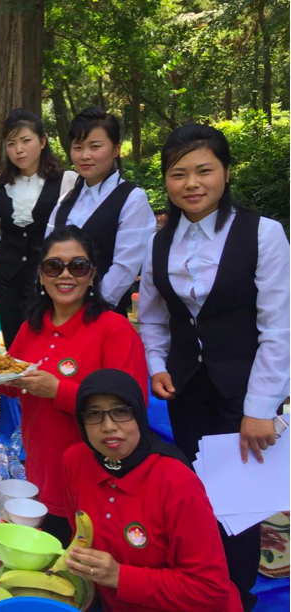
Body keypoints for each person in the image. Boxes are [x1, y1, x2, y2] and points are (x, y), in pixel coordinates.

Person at [138, 124, 290, 611]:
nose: (192, 183)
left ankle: (235, 597)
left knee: (239, 507)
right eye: (178, 174)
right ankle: (196, 588)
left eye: (204, 170)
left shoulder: (262, 233)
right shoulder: (158, 241)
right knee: (192, 497)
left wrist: (261, 406)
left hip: (245, 392)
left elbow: (279, 328)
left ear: (226, 172)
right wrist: (157, 364)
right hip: (187, 390)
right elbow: (153, 315)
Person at [0, 226, 148, 544]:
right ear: (42, 275)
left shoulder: (113, 329)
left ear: (92, 274)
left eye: (78, 266)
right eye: (54, 266)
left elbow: (130, 406)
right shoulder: (33, 327)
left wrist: (59, 391)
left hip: (97, 479)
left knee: (90, 565)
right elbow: (10, 383)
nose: (65, 275)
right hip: (41, 474)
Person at [62, 369, 243, 612]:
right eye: (94, 414)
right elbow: (81, 537)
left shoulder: (175, 481)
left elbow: (210, 590)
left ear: (138, 413)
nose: (108, 426)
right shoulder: (75, 461)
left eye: (121, 411)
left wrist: (119, 576)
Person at [0, 109, 78, 348]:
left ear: (42, 142)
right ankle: (13, 386)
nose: (18, 149)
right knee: (15, 343)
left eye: (26, 141)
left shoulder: (67, 180)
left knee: (47, 342)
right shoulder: (0, 182)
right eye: (11, 143)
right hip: (6, 278)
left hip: (48, 279)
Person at [47, 107, 155, 315]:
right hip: (59, 312)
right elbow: (47, 255)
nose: (85, 155)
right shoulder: (65, 200)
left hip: (102, 314)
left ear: (116, 149)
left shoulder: (132, 199)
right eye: (78, 147)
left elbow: (126, 266)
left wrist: (92, 307)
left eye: (95, 146)